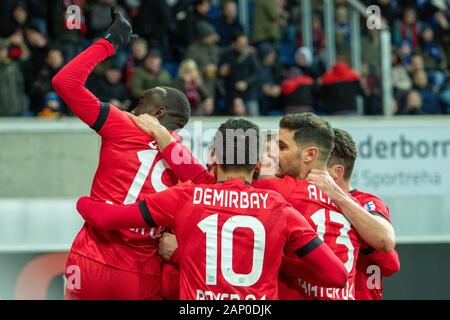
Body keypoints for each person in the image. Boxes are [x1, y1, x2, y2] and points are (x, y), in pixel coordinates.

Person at [127, 112, 396, 300]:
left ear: (310, 155)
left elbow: (205, 180)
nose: (274, 155)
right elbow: (389, 256)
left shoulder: (277, 192)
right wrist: (340, 199)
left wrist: (164, 137)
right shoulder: (362, 205)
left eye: (281, 146)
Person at [76, 119, 348, 300]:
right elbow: (336, 276)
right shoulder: (280, 208)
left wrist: (81, 202)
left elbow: (106, 218)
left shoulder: (186, 196)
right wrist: (271, 257)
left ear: (214, 156)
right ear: (256, 164)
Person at [52, 9, 191, 300]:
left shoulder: (123, 124)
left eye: (141, 102)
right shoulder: (187, 163)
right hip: (141, 275)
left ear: (159, 112)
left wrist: (111, 41)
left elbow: (65, 83)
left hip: (92, 260)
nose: (132, 107)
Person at [325, 128, 400, 300]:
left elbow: (392, 265)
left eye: (318, 165)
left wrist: (357, 229)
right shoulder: (312, 202)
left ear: (336, 172)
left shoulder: (367, 202)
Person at [219, 32, 260, 116]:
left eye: (245, 44)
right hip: (233, 92)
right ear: (234, 44)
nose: (243, 46)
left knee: (253, 115)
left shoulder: (251, 56)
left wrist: (246, 83)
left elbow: (256, 74)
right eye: (241, 44)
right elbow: (222, 74)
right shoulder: (227, 55)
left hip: (249, 92)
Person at [0, 37, 24, 116]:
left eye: (3, 50)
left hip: (14, 109)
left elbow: (20, 86)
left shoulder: (14, 66)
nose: (1, 53)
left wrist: (20, 104)